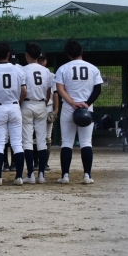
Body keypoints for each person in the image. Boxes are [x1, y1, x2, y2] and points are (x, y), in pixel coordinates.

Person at [54, 39, 103, 184]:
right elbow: (98, 89)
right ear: (81, 51)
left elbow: (60, 89)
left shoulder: (63, 68)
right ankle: (87, 175)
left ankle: (65, 176)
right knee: (86, 142)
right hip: (87, 108)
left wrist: (72, 103)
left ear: (68, 54)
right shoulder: (93, 68)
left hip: (69, 108)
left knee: (66, 142)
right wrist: (86, 103)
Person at [0, 43, 26, 186]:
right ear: (9, 54)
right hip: (14, 106)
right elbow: (24, 91)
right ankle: (19, 177)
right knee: (17, 143)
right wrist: (17, 102)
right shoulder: (18, 70)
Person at [20, 43, 52, 184]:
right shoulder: (46, 71)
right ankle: (42, 175)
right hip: (41, 103)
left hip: (27, 103)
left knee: (27, 140)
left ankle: (30, 174)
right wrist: (44, 103)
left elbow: (23, 90)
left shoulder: (22, 70)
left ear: (27, 55)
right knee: (42, 140)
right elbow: (49, 91)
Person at [38, 53, 57, 172]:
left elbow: (55, 93)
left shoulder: (51, 75)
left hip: (48, 107)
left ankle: (45, 163)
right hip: (37, 105)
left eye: (43, 60)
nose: (41, 62)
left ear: (46, 61)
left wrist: (56, 110)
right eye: (39, 60)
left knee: (47, 136)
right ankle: (36, 162)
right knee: (35, 135)